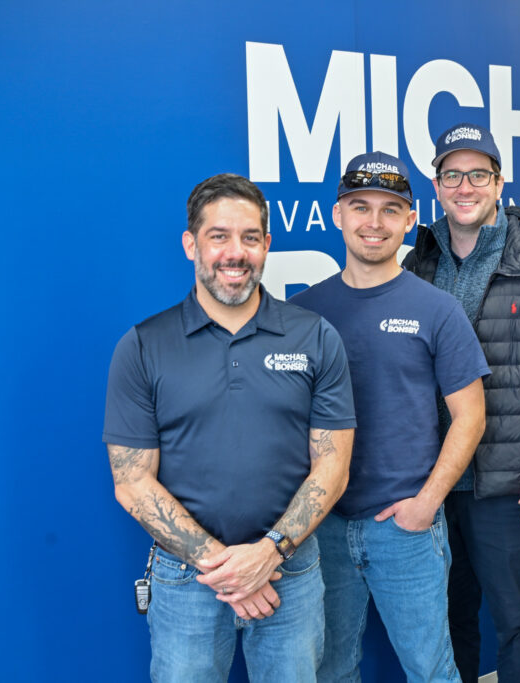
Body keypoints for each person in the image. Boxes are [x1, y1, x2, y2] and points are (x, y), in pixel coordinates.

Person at [102, 173, 356, 682]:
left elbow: (333, 464)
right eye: (219, 236)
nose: (235, 253)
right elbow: (131, 483)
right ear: (191, 244)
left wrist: (267, 555)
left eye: (250, 237)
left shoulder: (314, 336)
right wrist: (230, 569)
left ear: (267, 244)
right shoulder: (145, 345)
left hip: (291, 570)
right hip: (186, 579)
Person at [291, 151, 490, 682]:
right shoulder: (303, 313)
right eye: (360, 207)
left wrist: (427, 504)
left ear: (409, 220)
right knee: (331, 670)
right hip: (324, 525)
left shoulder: (437, 309)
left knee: (431, 671)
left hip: (406, 529)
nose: (374, 222)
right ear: (338, 215)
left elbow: (470, 417)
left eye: (389, 209)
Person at [403, 122, 520, 682]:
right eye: (452, 175)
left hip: (510, 486)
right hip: (434, 484)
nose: (465, 186)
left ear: (499, 181)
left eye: (477, 174)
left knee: (519, 625)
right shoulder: (419, 262)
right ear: (436, 185)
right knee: (448, 620)